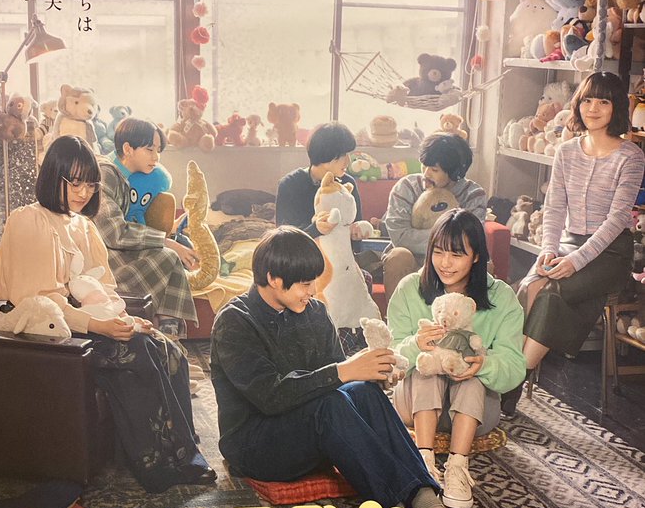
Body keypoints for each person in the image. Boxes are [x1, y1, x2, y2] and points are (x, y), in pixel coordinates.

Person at [209, 225, 507, 508]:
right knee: (335, 398)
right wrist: (345, 370)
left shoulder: (313, 311)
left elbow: (340, 381)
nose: (312, 292)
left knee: (362, 391)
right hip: (257, 444)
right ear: (273, 279)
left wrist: (372, 372)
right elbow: (270, 396)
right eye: (304, 284)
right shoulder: (235, 321)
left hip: (312, 430)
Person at [0, 135, 215, 493]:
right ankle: (156, 465)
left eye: (90, 184)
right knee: (137, 352)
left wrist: (123, 318)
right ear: (53, 176)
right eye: (74, 182)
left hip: (82, 319)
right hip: (44, 328)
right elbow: (39, 299)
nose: (83, 192)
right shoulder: (29, 220)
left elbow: (104, 286)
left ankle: (183, 452)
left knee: (167, 348)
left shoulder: (82, 224)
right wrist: (99, 325)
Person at [503, 70, 645, 414]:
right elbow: (554, 207)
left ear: (616, 107)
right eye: (587, 100)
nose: (593, 108)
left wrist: (575, 261)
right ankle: (505, 374)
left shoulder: (631, 156)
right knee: (530, 285)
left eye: (603, 101)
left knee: (552, 291)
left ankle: (510, 385)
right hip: (567, 244)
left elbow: (616, 220)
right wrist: (549, 250)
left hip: (610, 254)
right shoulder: (566, 151)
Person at [387, 209, 526, 508]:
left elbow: (516, 366)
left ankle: (458, 468)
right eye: (438, 252)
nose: (445, 263)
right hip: (415, 407)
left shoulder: (501, 297)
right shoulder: (410, 288)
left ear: (476, 256)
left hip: (473, 415)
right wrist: (416, 346)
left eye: (456, 254)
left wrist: (483, 364)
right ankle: (422, 461)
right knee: (426, 369)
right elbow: (390, 360)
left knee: (473, 376)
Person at [95, 117, 199, 339]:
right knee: (168, 255)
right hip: (101, 257)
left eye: (158, 150)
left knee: (170, 256)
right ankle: (168, 333)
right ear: (127, 149)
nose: (156, 157)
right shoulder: (106, 174)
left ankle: (169, 333)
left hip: (118, 249)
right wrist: (165, 241)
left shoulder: (126, 176)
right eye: (150, 149)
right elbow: (114, 233)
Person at [276, 121, 371, 355]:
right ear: (328, 156)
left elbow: (354, 234)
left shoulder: (348, 184)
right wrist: (315, 228)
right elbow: (282, 239)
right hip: (302, 264)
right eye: (343, 155)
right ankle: (325, 348)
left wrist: (356, 231)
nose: (348, 161)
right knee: (319, 288)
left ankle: (353, 344)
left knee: (363, 279)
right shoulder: (291, 184)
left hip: (341, 262)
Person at [383, 131, 487, 299]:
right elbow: (400, 236)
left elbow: (470, 241)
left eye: (434, 170)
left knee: (484, 264)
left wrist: (444, 250)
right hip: (413, 257)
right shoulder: (406, 187)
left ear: (455, 173)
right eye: (424, 166)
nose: (426, 174)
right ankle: (396, 315)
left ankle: (462, 314)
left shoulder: (473, 195)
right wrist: (447, 239)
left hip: (455, 260)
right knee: (399, 256)